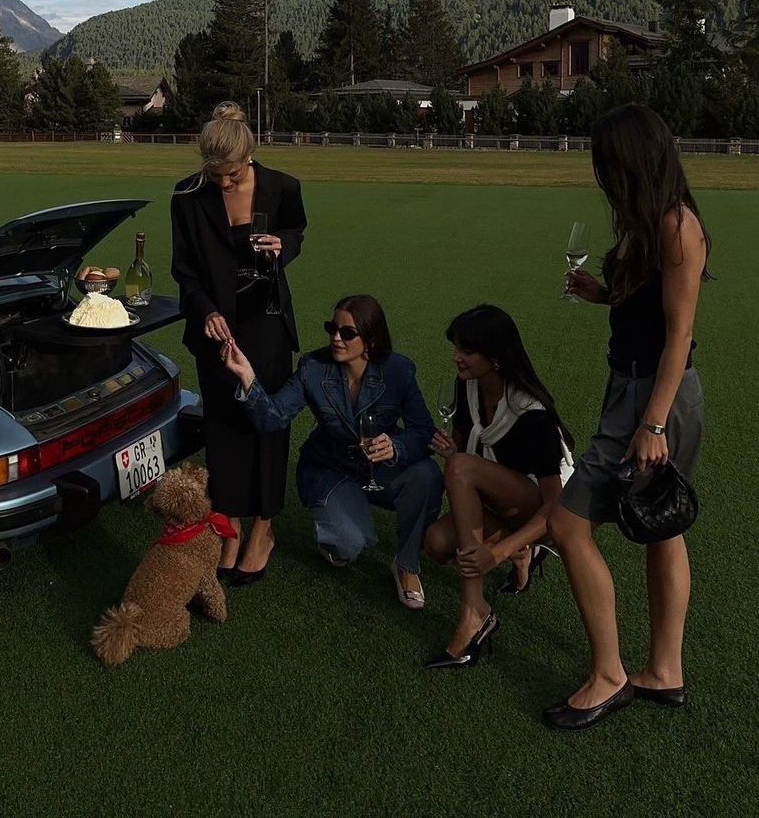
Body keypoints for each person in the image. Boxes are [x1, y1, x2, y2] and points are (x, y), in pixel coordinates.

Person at [545, 104, 709, 731]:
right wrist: (603, 294)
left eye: (606, 163)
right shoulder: (650, 224)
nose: (601, 175)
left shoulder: (675, 227)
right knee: (661, 525)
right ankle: (665, 671)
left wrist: (654, 425)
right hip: (642, 391)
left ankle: (610, 676)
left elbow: (679, 335)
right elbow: (644, 308)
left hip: (653, 398)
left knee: (567, 522)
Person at [222, 295, 443, 607]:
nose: (336, 338)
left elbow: (423, 430)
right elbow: (273, 419)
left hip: (380, 467)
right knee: (349, 545)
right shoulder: (314, 369)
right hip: (330, 468)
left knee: (428, 476)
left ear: (372, 338)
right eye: (332, 328)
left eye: (347, 333)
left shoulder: (398, 371)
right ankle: (337, 533)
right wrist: (248, 379)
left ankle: (406, 566)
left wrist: (397, 446)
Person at [170, 103, 306, 584]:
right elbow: (183, 270)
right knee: (224, 424)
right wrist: (205, 310)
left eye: (229, 176)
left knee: (266, 422)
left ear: (249, 156)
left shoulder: (284, 187)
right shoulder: (187, 196)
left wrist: (282, 247)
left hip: (267, 321)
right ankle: (227, 525)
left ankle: (264, 526)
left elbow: (297, 230)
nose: (222, 185)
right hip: (215, 325)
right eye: (214, 176)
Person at [423, 304, 574, 669]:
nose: (457, 358)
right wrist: (454, 453)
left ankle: (475, 611)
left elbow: (556, 506)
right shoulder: (468, 386)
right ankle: (525, 552)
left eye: (467, 351)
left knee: (460, 469)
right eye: (456, 348)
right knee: (437, 545)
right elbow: (468, 457)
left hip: (548, 511)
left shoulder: (531, 412)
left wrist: (499, 552)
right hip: (499, 499)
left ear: (496, 357)